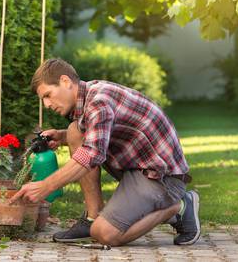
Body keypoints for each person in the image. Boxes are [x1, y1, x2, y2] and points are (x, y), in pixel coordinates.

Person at [10, 58, 200, 246]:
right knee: (74, 131)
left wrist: (46, 186)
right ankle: (92, 217)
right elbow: (96, 133)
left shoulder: (99, 102)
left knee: (104, 234)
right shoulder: (91, 94)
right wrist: (62, 136)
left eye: (48, 95)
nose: (47, 104)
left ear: (65, 81)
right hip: (141, 167)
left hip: (162, 178)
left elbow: (92, 154)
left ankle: (178, 207)